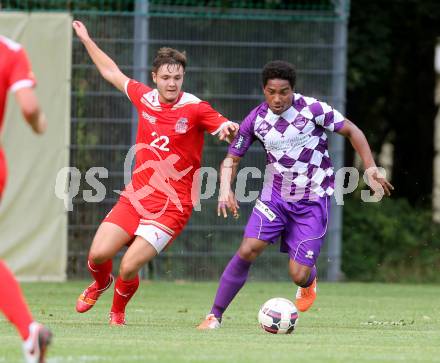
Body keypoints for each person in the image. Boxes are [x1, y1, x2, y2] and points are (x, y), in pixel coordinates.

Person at [197, 60, 394, 329]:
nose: (277, 99)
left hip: (313, 201)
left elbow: (352, 130)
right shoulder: (256, 119)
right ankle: (214, 316)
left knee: (298, 274)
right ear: (264, 90)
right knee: (248, 249)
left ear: (293, 90)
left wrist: (370, 168)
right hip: (275, 198)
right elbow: (232, 158)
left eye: (284, 92)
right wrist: (224, 189)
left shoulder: (312, 109)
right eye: (271, 92)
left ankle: (308, 280)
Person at [72, 21, 239, 326]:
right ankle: (100, 284)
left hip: (172, 207)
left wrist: (227, 128)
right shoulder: (144, 97)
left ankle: (117, 314)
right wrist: (86, 39)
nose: (172, 83)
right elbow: (111, 72)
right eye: (166, 77)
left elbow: (222, 125)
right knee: (97, 256)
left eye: (177, 77)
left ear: (183, 78)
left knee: (128, 266)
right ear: (155, 78)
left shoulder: (195, 108)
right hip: (137, 197)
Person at [0, 35, 51, 362]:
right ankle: (29, 332)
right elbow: (29, 106)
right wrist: (38, 123)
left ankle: (29, 330)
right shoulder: (11, 51)